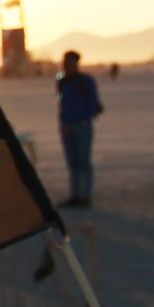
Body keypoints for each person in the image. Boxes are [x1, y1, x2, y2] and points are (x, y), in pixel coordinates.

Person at [56, 49, 104, 207]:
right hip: (66, 126)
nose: (67, 66)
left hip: (81, 126)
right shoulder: (61, 81)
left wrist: (83, 119)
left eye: (70, 63)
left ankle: (85, 195)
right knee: (73, 163)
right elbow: (60, 102)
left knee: (83, 162)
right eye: (65, 63)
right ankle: (75, 194)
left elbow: (93, 102)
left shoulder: (86, 81)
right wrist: (63, 122)